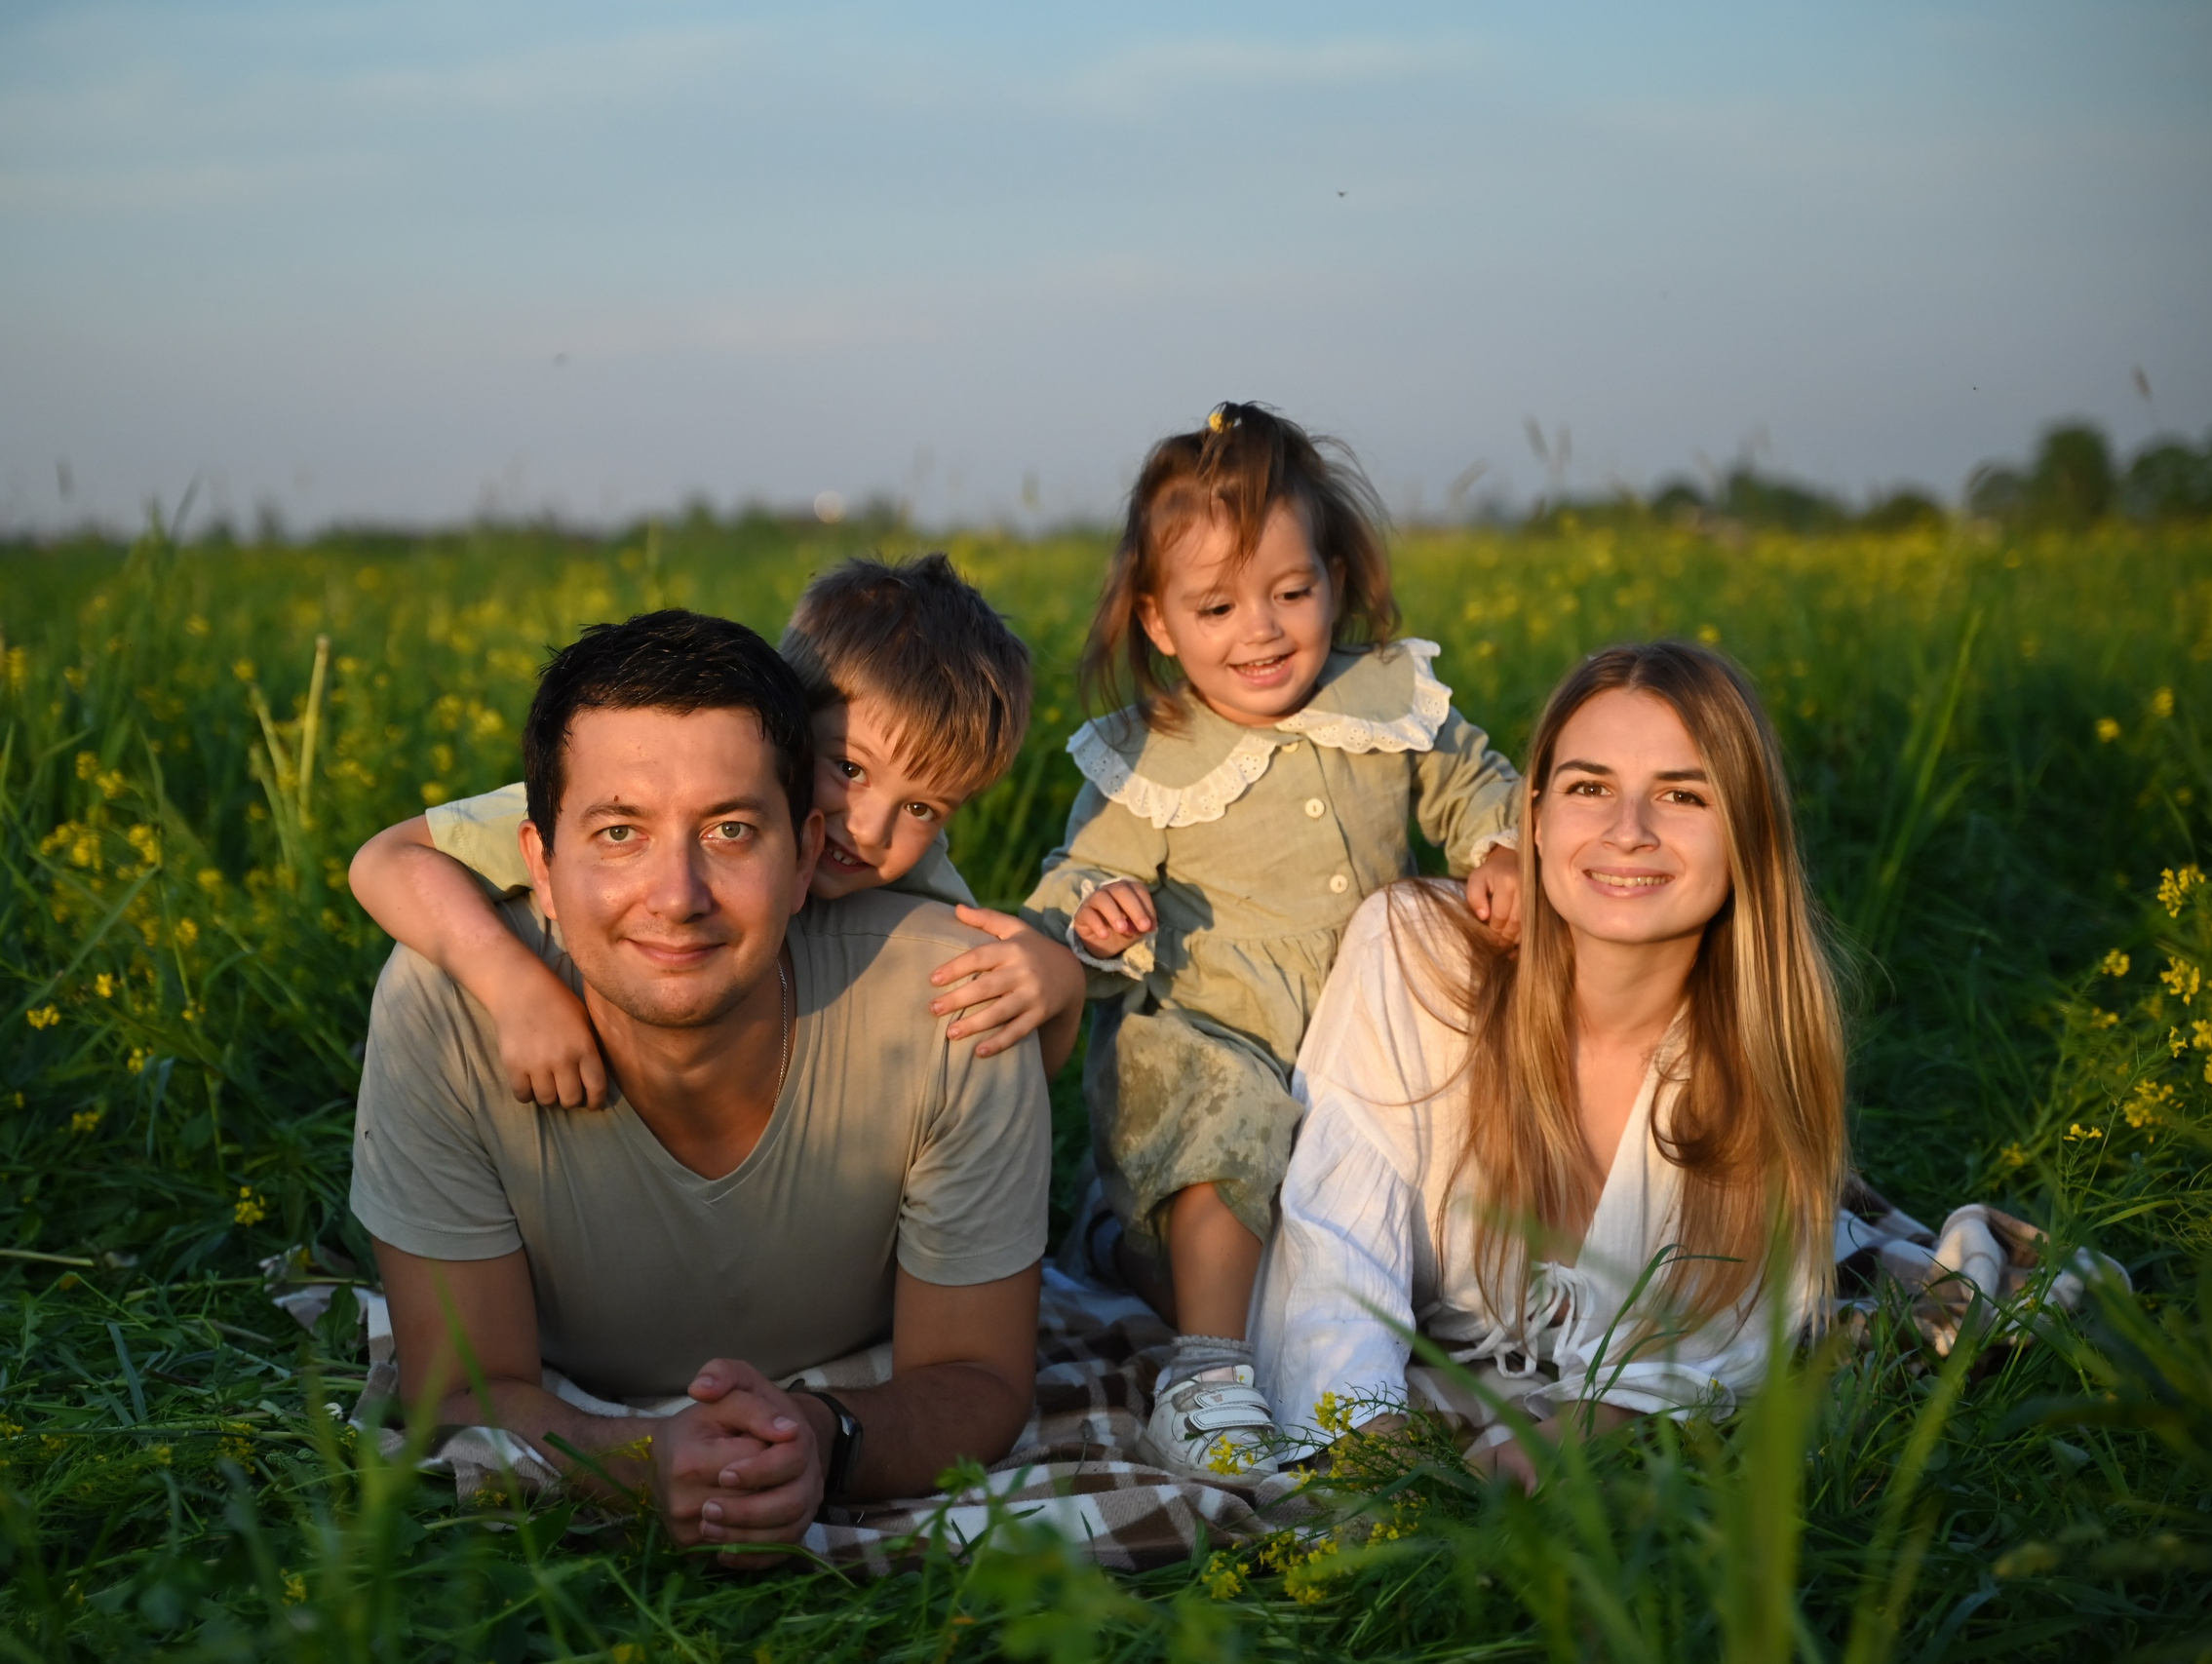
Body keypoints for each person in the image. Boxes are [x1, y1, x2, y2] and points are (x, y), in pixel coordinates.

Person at [351, 609, 1051, 1562]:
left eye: (730, 830)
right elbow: (459, 1392)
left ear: (804, 852)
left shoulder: (961, 996)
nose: (677, 896)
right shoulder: (447, 1008)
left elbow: (977, 1377)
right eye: (619, 832)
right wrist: (642, 1463)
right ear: (538, 866)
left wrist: (822, 1440)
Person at [1017, 402, 1526, 1479]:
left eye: (1290, 593)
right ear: (1159, 623)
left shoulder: (1383, 698)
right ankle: (1204, 1377)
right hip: (1219, 1036)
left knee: (1388, 1211)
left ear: (1333, 580)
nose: (1260, 630)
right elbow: (1077, 877)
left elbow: (1477, 781)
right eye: (1216, 606)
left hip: (1370, 1048)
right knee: (1227, 1144)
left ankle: (1153, 1261)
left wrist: (1500, 847)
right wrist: (1093, 914)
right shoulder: (1153, 753)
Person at [1252, 641, 1848, 1490]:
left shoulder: (1765, 1056)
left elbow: (1725, 1346)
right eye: (1589, 788)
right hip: (1205, 1232)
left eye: (1682, 794)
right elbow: (1330, 1250)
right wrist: (1370, 1450)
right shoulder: (1416, 956)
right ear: (1532, 817)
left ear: (1748, 832)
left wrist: (1571, 1433)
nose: (1628, 831)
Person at [349, 555, 1089, 1110]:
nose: (869, 827)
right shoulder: (641, 800)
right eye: (849, 768)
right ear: (785, 724)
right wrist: (514, 988)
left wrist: (1060, 988)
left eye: (924, 809)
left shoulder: (921, 885)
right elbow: (385, 860)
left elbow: (998, 1079)